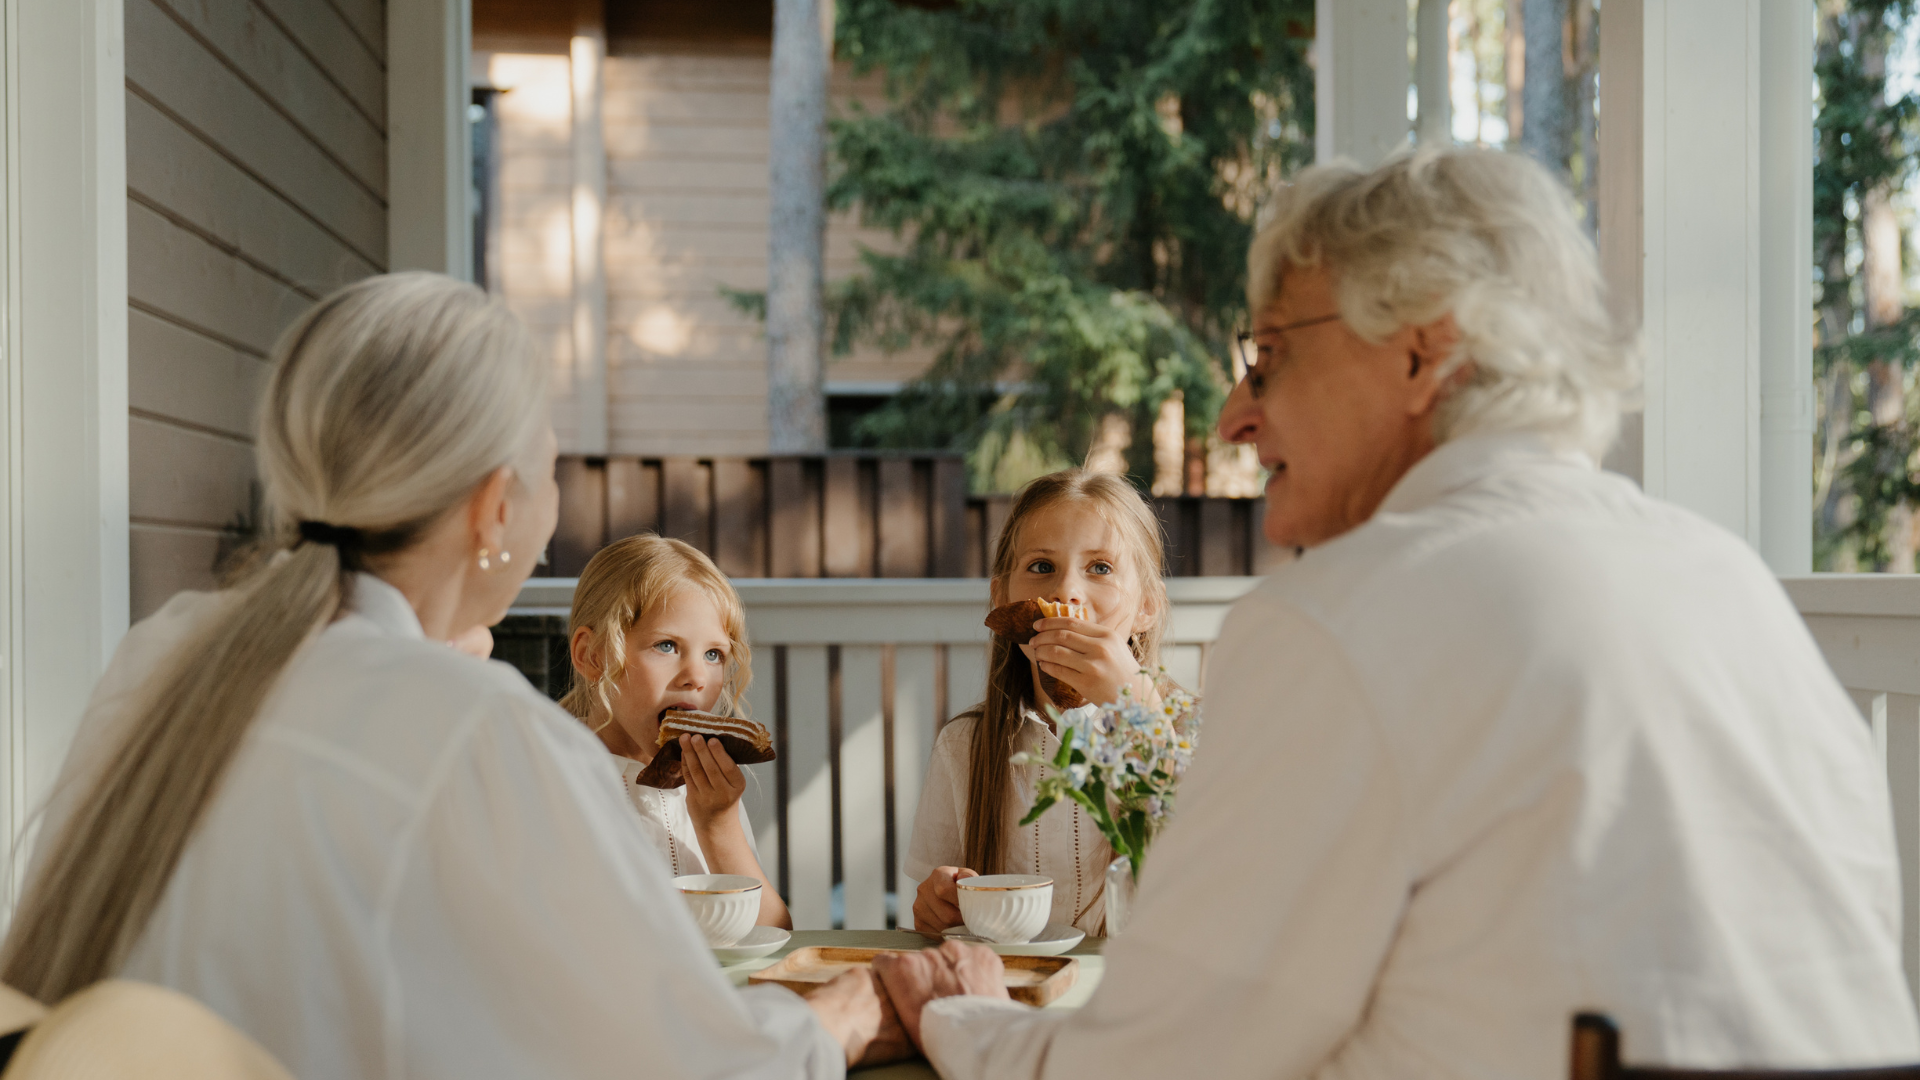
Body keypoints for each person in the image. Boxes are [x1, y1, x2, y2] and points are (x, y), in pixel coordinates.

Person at [873, 147, 1920, 1076]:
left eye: (1271, 353)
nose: (1239, 414)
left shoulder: (1338, 620)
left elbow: (1149, 1064)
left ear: (1422, 353)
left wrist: (962, 1017)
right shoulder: (1726, 582)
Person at [3, 273, 899, 1079]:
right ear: (492, 510)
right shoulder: (483, 732)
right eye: (550, 475)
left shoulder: (167, 649)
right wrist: (850, 1014)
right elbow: (689, 1066)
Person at [904, 470, 1171, 936]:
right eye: (1042, 567)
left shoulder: (1193, 735)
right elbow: (934, 914)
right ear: (1003, 599)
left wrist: (1140, 708)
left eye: (1100, 568)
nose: (1065, 592)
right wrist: (936, 907)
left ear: (1146, 607)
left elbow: (1223, 882)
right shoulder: (964, 746)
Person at [563, 533, 791, 928]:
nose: (697, 676)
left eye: (714, 654)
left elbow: (774, 934)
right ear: (593, 656)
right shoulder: (553, 773)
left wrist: (718, 826)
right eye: (666, 646)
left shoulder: (706, 790)